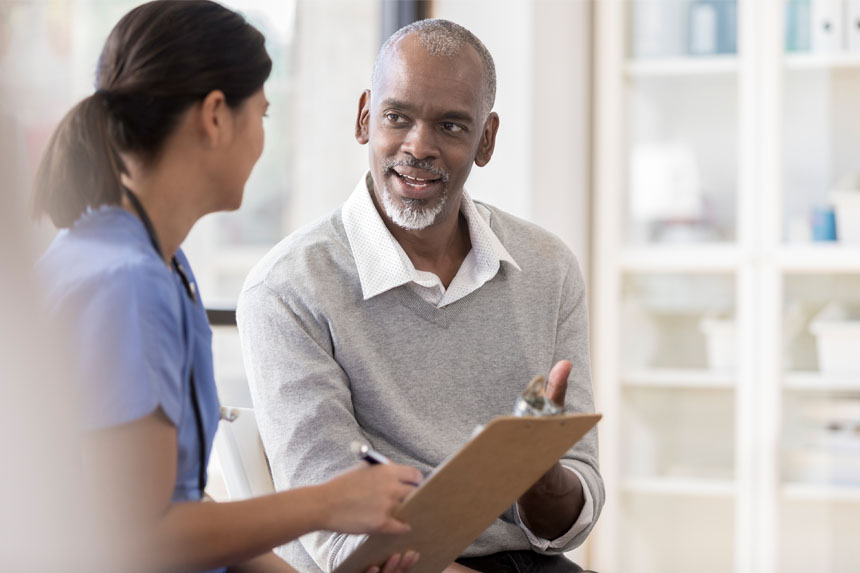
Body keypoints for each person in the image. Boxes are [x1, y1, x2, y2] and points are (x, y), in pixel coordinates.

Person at [33, 2, 422, 571]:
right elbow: (142, 537)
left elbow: (177, 507)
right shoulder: (127, 286)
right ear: (215, 116)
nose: (264, 141)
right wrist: (329, 503)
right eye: (262, 116)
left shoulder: (155, 262)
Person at [237, 18, 604, 573]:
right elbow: (339, 535)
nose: (418, 146)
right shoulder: (288, 287)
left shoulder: (547, 267)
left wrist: (542, 481)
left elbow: (574, 513)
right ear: (365, 117)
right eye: (397, 117)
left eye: (452, 126)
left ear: (486, 139)